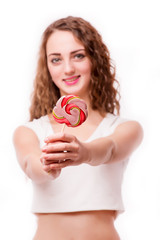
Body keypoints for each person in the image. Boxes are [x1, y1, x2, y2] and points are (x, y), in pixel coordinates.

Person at [13, 16, 143, 240]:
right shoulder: (29, 131)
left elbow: (110, 148)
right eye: (56, 59)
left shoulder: (125, 128)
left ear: (95, 59)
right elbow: (30, 164)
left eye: (78, 55)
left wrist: (84, 153)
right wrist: (47, 166)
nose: (68, 68)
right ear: (47, 67)